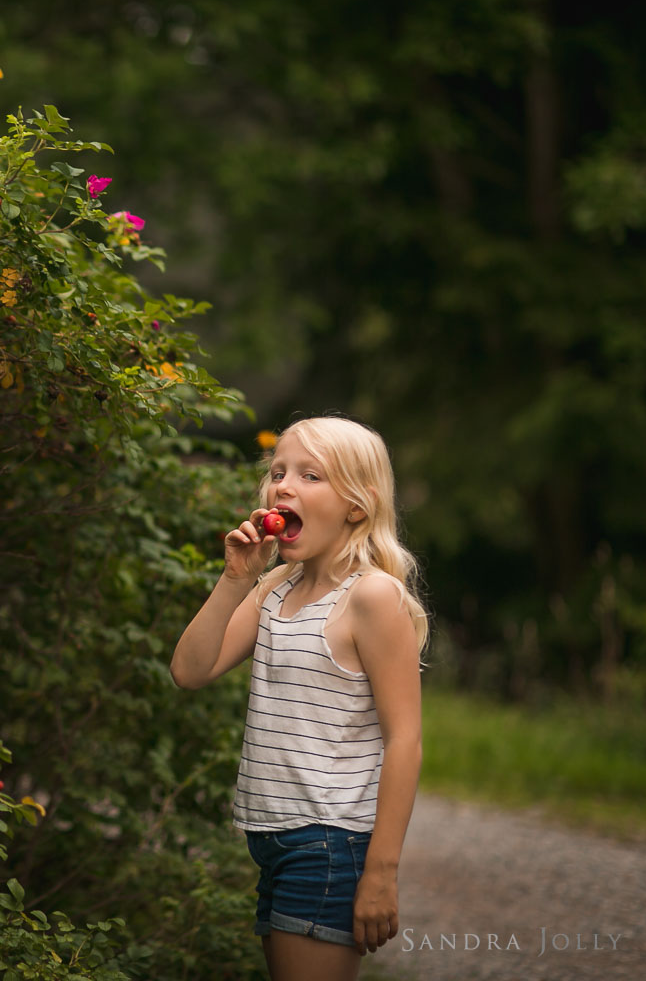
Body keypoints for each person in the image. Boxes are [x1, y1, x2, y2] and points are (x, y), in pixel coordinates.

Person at [170, 416, 425, 981]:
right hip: (275, 841)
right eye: (278, 472)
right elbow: (190, 671)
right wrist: (237, 578)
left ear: (357, 505)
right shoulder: (274, 586)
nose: (283, 487)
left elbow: (404, 738)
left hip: (328, 842)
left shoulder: (372, 596)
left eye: (310, 476)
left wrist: (381, 872)